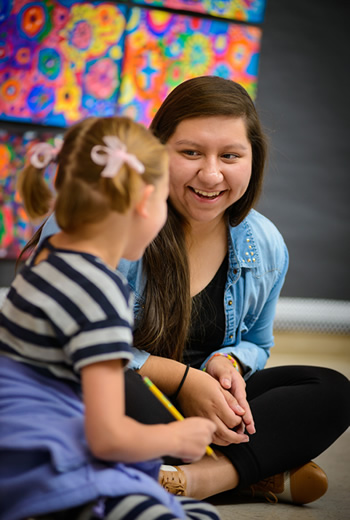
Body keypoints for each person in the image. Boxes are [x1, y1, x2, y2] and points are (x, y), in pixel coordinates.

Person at [26, 76, 350, 506]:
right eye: (191, 152)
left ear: (253, 159)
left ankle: (197, 479)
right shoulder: (99, 218)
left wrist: (225, 363)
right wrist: (183, 380)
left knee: (329, 388)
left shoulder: (265, 244)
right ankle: (251, 470)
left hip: (196, 408)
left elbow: (257, 342)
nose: (211, 174)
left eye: (230, 155)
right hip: (120, 389)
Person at [0, 116, 222, 520]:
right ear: (144, 204)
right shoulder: (101, 292)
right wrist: (175, 436)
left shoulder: (46, 260)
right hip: (45, 467)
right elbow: (106, 439)